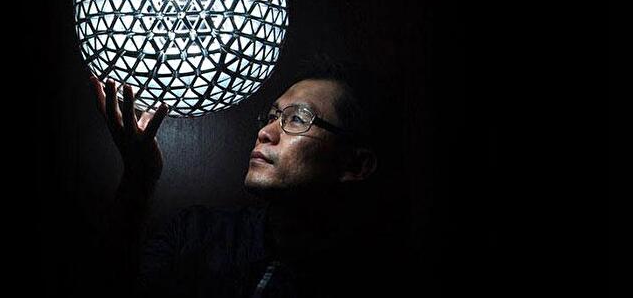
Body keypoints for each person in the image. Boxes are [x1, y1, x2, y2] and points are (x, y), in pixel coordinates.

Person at [89, 60, 405, 297]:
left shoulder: (380, 278)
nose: (265, 132)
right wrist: (139, 177)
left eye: (297, 118)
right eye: (272, 117)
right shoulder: (194, 234)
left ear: (356, 164)